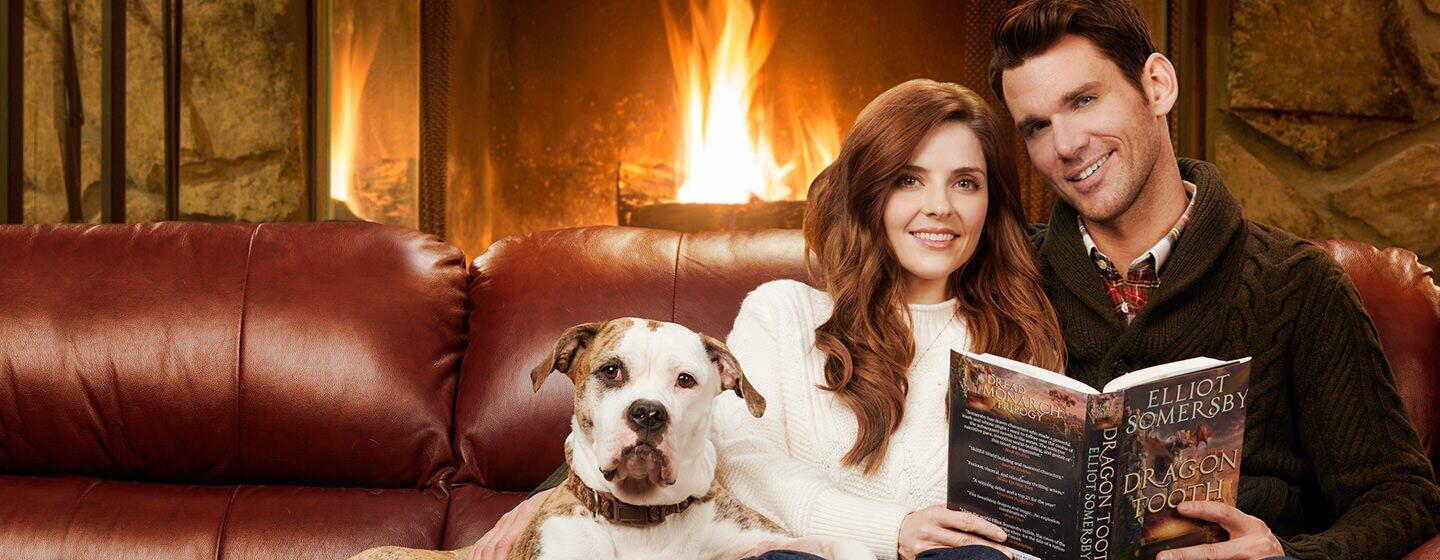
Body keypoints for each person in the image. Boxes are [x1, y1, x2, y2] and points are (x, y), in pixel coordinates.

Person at [470, 79, 1066, 560]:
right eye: (909, 180)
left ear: (991, 205)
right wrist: (893, 529)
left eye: (966, 183)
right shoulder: (783, 314)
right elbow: (741, 460)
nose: (939, 206)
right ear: (868, 193)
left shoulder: (1020, 334)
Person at [989, 1, 1440, 559]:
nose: (1066, 145)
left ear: (1157, 86)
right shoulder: (1003, 277)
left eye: (1083, 100)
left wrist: (1287, 558)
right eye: (1037, 127)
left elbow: (1401, 498)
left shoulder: (1300, 286)